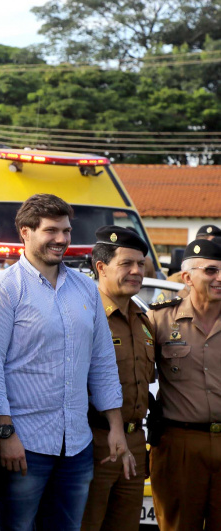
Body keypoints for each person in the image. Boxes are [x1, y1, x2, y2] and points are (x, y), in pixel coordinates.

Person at [0, 194, 127, 531]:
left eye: (67, 231)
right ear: (25, 233)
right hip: (21, 445)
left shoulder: (85, 289)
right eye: (51, 230)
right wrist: (6, 433)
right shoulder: (3, 291)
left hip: (76, 445)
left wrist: (115, 424)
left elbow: (102, 360)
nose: (61, 239)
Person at [80, 226, 152, 531]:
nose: (136, 271)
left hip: (135, 441)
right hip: (95, 442)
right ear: (101, 267)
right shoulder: (84, 314)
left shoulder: (143, 318)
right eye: (127, 264)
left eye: (141, 265)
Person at [147, 238, 221, 530]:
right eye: (211, 271)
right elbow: (133, 376)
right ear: (187, 277)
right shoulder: (159, 318)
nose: (220, 279)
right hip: (179, 445)